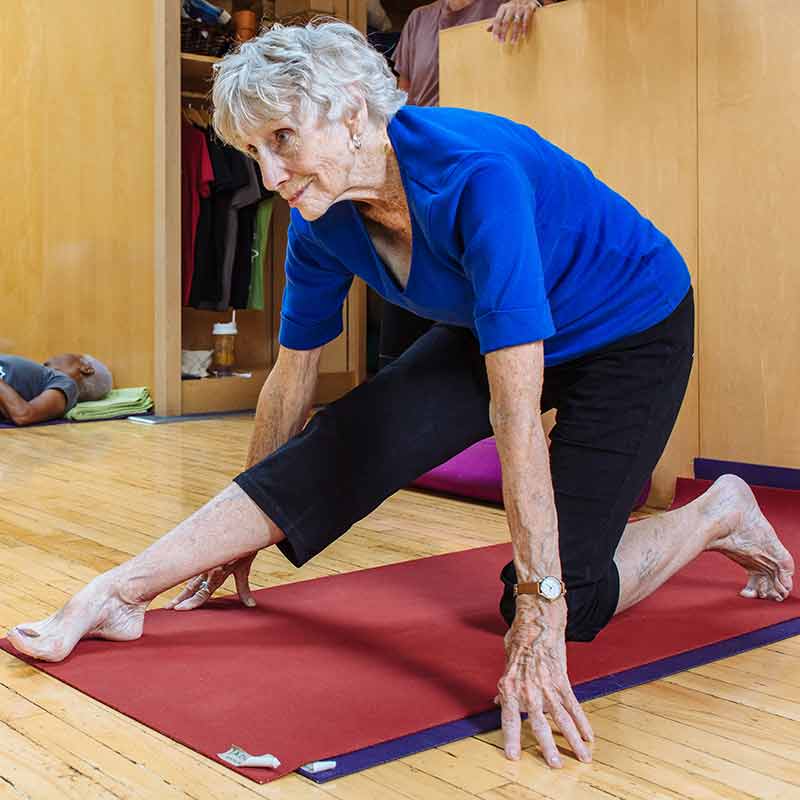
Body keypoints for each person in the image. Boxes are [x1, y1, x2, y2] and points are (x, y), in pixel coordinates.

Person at [7, 22, 794, 769]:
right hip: (496, 316)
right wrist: (236, 538)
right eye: (253, 152)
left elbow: (513, 414)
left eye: (283, 140)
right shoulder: (322, 218)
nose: (270, 177)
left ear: (354, 114)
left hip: (631, 325)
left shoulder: (475, 178)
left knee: (565, 598)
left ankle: (719, 510)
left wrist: (540, 606)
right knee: (353, 436)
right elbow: (293, 376)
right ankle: (114, 595)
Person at [380, 0, 560, 368]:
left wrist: (534, 6)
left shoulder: (504, 6)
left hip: (473, 170)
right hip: (418, 169)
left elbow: (555, 40)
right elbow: (401, 102)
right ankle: (395, 389)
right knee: (406, 284)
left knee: (476, 286)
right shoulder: (419, 20)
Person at [0, 353, 113, 426]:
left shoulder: (67, 384)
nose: (57, 354)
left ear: (86, 369)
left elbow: (24, 415)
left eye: (75, 355)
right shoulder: (42, 377)